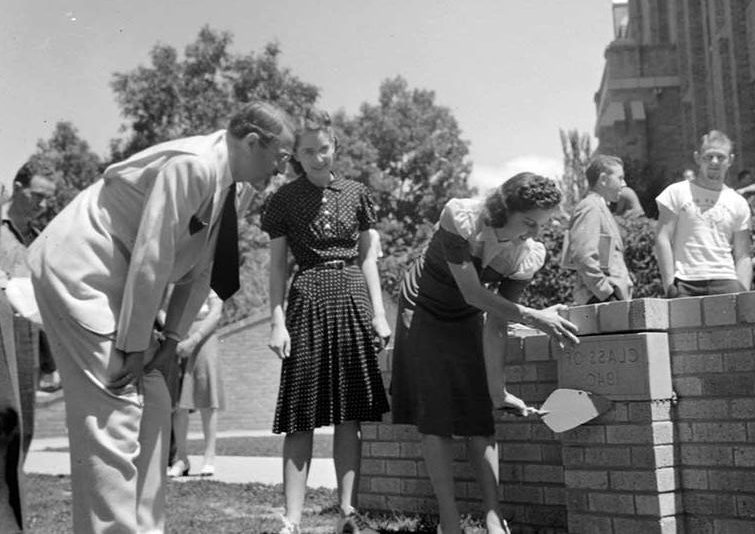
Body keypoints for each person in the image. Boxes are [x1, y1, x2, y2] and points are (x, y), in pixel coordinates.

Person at [28, 101, 295, 534]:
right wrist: (133, 346)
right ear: (251, 142)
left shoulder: (238, 188)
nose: (281, 172)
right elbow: (153, 255)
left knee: (154, 394)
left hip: (125, 278)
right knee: (113, 407)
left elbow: (203, 269)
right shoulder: (193, 167)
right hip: (81, 269)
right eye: (281, 158)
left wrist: (170, 341)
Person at [390, 173, 579, 534]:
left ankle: (495, 518)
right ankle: (450, 521)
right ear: (505, 208)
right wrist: (537, 318)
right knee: (437, 415)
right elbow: (474, 293)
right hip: (424, 308)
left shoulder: (527, 254)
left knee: (480, 415)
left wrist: (498, 391)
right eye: (528, 223)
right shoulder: (460, 217)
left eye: (542, 225)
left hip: (465, 315)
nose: (535, 234)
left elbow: (495, 322)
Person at [263, 109, 391, 534]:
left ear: (335, 147)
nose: (317, 157)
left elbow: (370, 258)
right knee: (300, 413)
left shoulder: (356, 193)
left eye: (324, 149)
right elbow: (278, 268)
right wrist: (276, 322)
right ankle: (292, 520)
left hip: (353, 294)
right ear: (296, 155)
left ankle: (347, 513)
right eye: (307, 151)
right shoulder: (283, 199)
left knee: (349, 413)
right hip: (309, 299)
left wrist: (379, 312)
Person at [0, 164, 55, 531]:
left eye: (47, 199)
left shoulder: (37, 237)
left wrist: (49, 362)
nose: (41, 205)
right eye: (36, 196)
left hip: (28, 347)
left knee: (24, 434)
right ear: (16, 188)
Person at [655, 130, 752, 296]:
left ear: (730, 160)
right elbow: (662, 238)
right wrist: (669, 286)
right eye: (709, 156)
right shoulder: (677, 192)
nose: (714, 162)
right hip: (686, 282)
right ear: (698, 158)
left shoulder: (739, 202)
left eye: (721, 157)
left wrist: (743, 291)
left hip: (726, 281)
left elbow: (743, 254)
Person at [166, 292, 225, 478]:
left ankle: (209, 457)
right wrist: (174, 332)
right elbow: (161, 308)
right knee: (178, 402)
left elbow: (215, 313)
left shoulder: (213, 281)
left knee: (208, 399)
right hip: (178, 337)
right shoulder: (173, 276)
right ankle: (181, 459)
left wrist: (195, 338)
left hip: (205, 339)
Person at [564, 155, 634, 304]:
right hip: (599, 300)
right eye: (620, 178)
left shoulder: (599, 207)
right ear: (603, 179)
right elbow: (583, 255)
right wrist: (606, 293)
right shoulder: (590, 207)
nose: (624, 184)